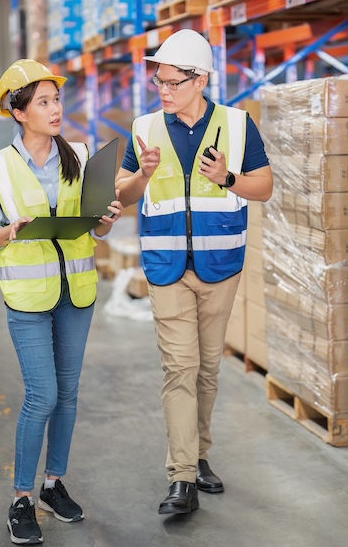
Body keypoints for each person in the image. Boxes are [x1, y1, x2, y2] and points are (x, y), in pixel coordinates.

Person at [115, 30, 273, 515]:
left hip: (219, 265)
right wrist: (141, 174)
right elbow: (121, 195)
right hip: (167, 268)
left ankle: (199, 455)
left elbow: (264, 187)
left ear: (200, 79)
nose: (163, 90)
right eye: (158, 81)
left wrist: (227, 177)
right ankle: (181, 477)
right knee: (179, 368)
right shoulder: (144, 127)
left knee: (207, 369)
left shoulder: (238, 124)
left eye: (173, 82)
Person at [0, 59, 123, 544]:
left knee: (68, 394)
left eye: (57, 99)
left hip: (75, 292)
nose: (55, 108)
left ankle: (52, 486)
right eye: (43, 101)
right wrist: (8, 231)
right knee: (41, 395)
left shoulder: (79, 154)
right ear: (19, 112)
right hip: (28, 297)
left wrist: (108, 218)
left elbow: (95, 225)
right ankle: (21, 498)